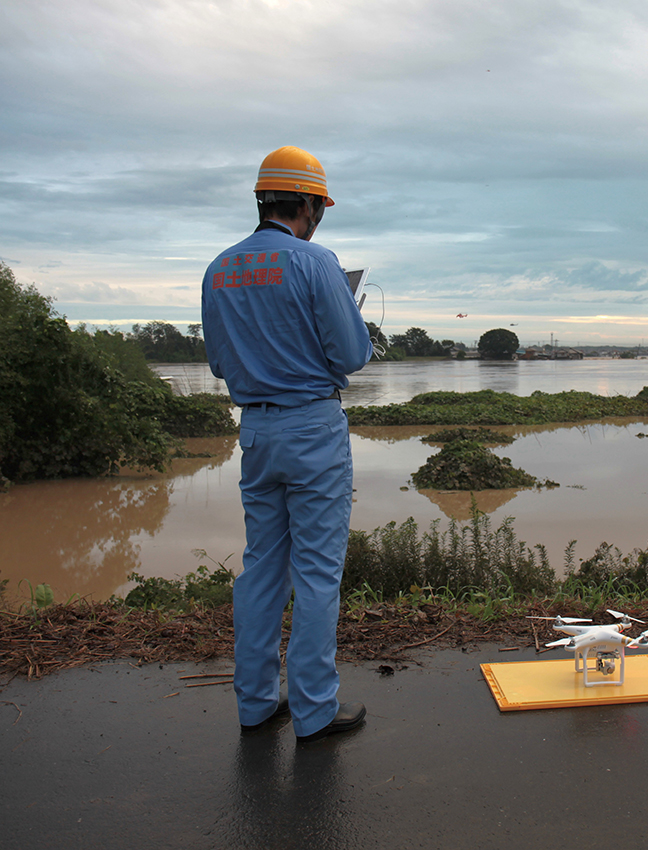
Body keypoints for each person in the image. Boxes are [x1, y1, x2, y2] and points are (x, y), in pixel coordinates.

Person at [202, 146, 374, 743]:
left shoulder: (219, 268)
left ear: (261, 198)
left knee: (261, 570)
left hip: (255, 430)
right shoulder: (317, 263)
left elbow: (221, 364)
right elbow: (352, 355)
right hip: (312, 427)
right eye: (319, 206)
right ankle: (314, 711)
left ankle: (254, 704)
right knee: (318, 573)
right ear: (308, 204)